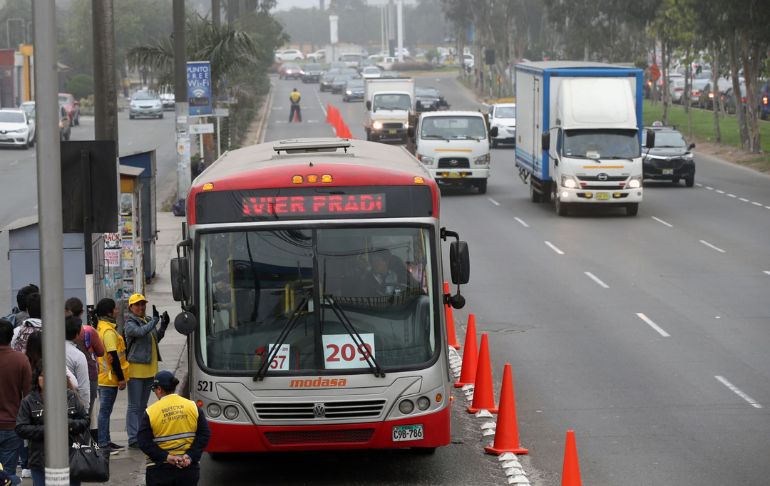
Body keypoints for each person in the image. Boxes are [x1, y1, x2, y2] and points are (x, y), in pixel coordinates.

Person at [15, 364, 89, 486]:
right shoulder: (29, 401)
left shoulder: (70, 396)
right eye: (44, 376)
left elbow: (85, 420)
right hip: (40, 461)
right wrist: (48, 430)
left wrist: (67, 425)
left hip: (70, 458)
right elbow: (21, 428)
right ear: (37, 378)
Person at [138, 371, 210, 486]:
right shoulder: (192, 406)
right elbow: (204, 434)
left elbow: (143, 442)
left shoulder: (150, 412)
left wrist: (167, 457)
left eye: (154, 390)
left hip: (159, 470)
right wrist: (190, 456)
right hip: (188, 469)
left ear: (159, 389)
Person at [124, 294, 169, 448]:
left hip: (150, 370)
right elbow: (139, 332)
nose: (141, 307)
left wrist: (163, 325)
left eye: (143, 304)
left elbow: (155, 337)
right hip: (136, 371)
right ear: (130, 307)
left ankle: (141, 435)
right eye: (137, 305)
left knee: (143, 406)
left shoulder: (148, 320)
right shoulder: (129, 323)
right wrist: (154, 322)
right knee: (134, 406)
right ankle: (132, 438)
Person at [65, 297, 104, 440]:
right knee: (86, 416)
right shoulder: (88, 331)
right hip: (89, 375)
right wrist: (86, 407)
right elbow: (101, 351)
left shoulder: (55, 342)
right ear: (82, 312)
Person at [95, 298, 129, 452]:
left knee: (106, 411)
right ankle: (103, 443)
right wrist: (121, 378)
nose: (117, 311)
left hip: (104, 377)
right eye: (115, 309)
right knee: (105, 412)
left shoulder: (102, 327)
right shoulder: (108, 332)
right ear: (109, 312)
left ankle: (106, 440)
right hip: (108, 379)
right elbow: (113, 356)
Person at [0, 319, 31, 485]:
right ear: (10, 336)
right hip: (12, 424)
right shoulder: (20, 360)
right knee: (8, 474)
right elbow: (28, 394)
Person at [64, 316, 91, 409]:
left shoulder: (51, 349)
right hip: (73, 405)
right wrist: (85, 409)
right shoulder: (78, 356)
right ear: (76, 334)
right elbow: (84, 388)